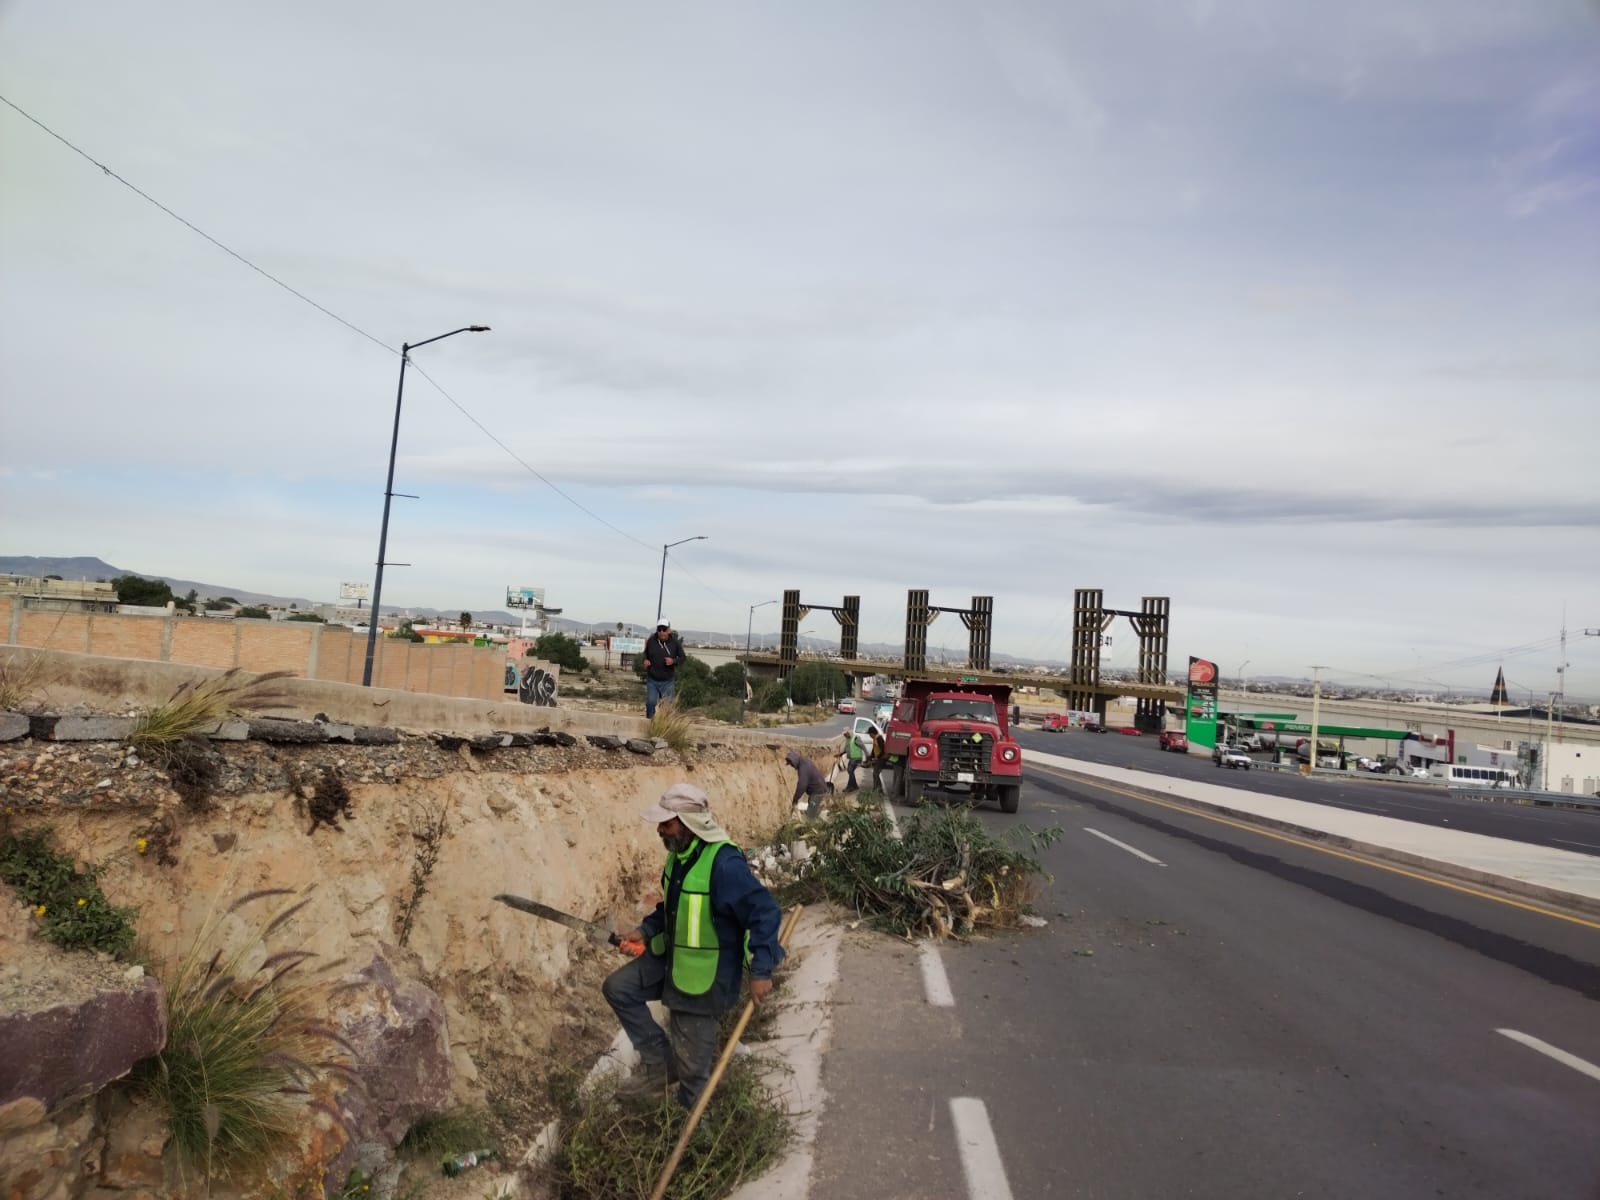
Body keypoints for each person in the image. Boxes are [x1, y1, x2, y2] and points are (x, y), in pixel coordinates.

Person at [602, 783, 784, 1109]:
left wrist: (761, 970)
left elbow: (765, 912)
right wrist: (646, 930)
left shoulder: (724, 865)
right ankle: (660, 1063)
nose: (660, 830)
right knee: (618, 988)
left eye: (667, 824)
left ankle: (696, 1128)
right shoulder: (679, 858)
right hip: (671, 960)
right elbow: (671, 907)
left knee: (693, 1071)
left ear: (689, 823)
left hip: (705, 979)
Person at [642, 620, 686, 718]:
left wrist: (673, 661)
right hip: (652, 680)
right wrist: (645, 660)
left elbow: (683, 658)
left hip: (667, 682)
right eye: (659, 629)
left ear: (669, 630)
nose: (662, 632)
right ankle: (650, 722)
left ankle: (664, 725)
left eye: (664, 629)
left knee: (667, 707)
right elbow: (645, 654)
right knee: (650, 703)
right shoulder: (651, 641)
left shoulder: (675, 643)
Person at [785, 749, 830, 817]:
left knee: (810, 817)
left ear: (794, 760)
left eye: (791, 764)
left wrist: (795, 799)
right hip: (822, 788)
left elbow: (802, 786)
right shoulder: (805, 761)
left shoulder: (803, 768)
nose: (792, 766)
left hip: (817, 792)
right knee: (814, 811)